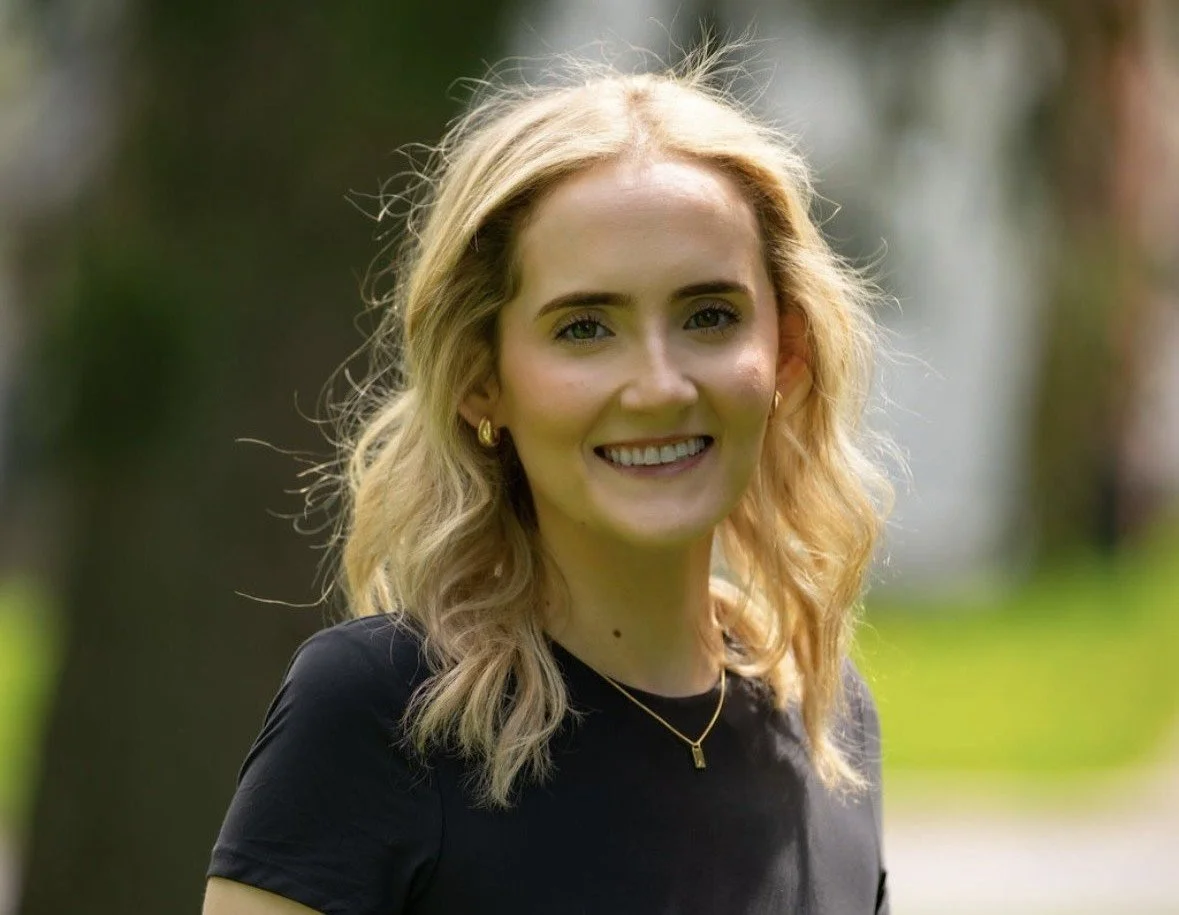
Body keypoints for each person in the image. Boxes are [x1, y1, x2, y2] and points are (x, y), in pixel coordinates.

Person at [203, 49, 895, 915]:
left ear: (785, 351)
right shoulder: (379, 718)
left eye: (709, 315)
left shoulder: (829, 723)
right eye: (583, 327)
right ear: (481, 379)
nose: (659, 385)